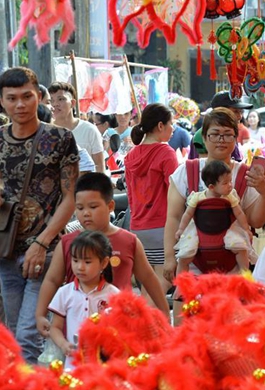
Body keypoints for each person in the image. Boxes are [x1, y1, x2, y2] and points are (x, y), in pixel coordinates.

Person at [0, 67, 79, 363]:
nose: (20, 104)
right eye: (12, 98)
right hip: (4, 250)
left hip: (46, 251)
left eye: (26, 96)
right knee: (10, 335)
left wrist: (42, 242)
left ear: (39, 97)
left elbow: (70, 197)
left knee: (27, 337)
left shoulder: (60, 139)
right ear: (2, 101)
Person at [35, 173, 169, 338]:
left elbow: (149, 278)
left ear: (111, 205)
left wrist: (163, 313)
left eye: (93, 207)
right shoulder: (67, 242)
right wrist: (40, 314)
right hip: (76, 330)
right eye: (80, 208)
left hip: (120, 329)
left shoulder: (129, 241)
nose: (85, 213)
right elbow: (52, 280)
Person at [164, 108, 265, 281]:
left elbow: (255, 221)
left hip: (233, 267)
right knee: (189, 307)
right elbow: (173, 217)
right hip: (192, 265)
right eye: (215, 134)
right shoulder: (186, 171)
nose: (221, 140)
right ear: (204, 138)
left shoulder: (245, 174)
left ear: (236, 139)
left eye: (228, 134)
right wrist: (169, 258)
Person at [124, 103, 179, 296]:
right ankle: (140, 320)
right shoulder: (166, 153)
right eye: (172, 124)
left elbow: (130, 195)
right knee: (165, 279)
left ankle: (148, 323)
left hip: (138, 227)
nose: (174, 129)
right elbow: (176, 191)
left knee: (149, 284)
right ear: (160, 126)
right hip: (162, 227)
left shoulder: (131, 155)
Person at [47, 230, 119, 370]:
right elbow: (55, 327)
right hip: (73, 365)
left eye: (87, 261)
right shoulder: (65, 292)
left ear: (104, 263)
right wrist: (63, 344)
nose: (80, 267)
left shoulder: (114, 295)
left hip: (104, 366)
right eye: (75, 260)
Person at [175, 160, 254, 273]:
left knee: (241, 248)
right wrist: (181, 229)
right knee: (184, 255)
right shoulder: (197, 197)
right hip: (199, 231)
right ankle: (181, 283)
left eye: (230, 181)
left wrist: (246, 229)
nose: (230, 185)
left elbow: (239, 213)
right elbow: (188, 214)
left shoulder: (230, 197)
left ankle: (245, 273)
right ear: (211, 187)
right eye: (225, 183)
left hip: (225, 230)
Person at [48, 82, 105, 174]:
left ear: (72, 103)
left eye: (60, 99)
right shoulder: (46, 131)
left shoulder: (89, 130)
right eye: (51, 101)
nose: (55, 104)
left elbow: (99, 167)